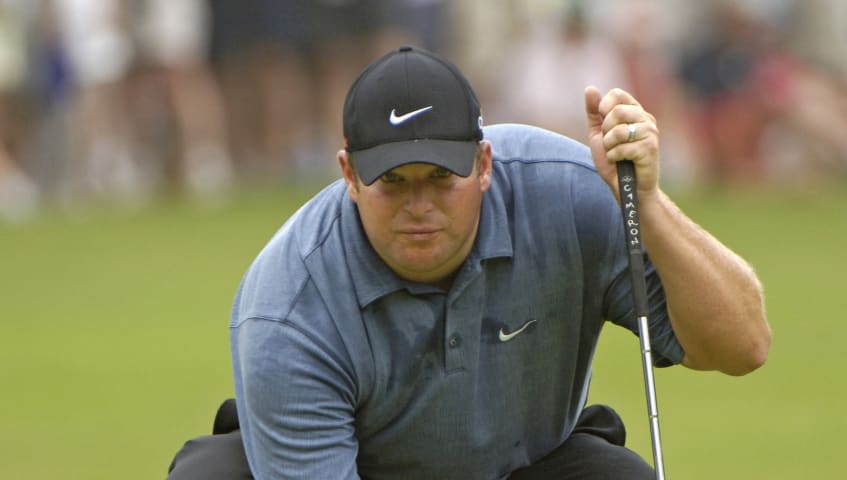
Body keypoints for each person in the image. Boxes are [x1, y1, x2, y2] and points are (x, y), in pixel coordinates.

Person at [168, 45, 771, 479]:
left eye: (440, 177)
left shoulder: (569, 192)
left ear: (484, 165)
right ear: (350, 175)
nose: (419, 206)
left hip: (526, 465)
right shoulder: (288, 310)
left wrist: (651, 205)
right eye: (393, 182)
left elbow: (742, 346)